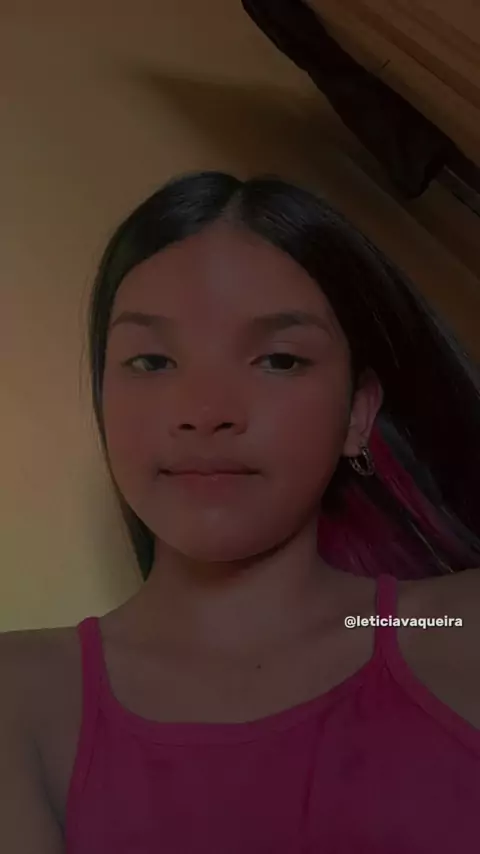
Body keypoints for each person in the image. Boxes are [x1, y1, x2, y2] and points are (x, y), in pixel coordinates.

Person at [2, 171, 480, 853]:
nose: (205, 413)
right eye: (151, 362)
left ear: (357, 412)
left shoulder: (444, 627)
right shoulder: (20, 696)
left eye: (278, 360)